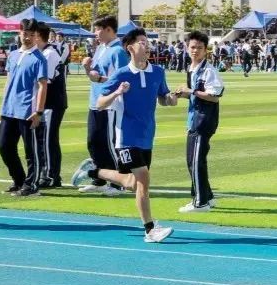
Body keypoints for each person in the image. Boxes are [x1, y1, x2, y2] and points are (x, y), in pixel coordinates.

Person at [72, 28, 178, 243]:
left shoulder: (158, 72)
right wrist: (117, 93)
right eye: (141, 42)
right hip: (126, 136)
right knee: (143, 182)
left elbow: (163, 98)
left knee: (131, 183)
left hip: (147, 135)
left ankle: (94, 171)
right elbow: (100, 103)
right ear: (130, 47)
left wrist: (171, 99)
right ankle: (150, 229)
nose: (146, 45)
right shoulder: (121, 74)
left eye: (147, 41)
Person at [76, 15, 129, 195]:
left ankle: (118, 182)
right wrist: (87, 68)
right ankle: (100, 179)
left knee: (109, 144)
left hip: (110, 104)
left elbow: (123, 79)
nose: (95, 33)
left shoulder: (118, 51)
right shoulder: (100, 48)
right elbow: (95, 76)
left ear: (108, 29)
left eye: (98, 29)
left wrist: (99, 78)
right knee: (94, 142)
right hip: (95, 102)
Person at [0, 19, 49, 196]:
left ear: (37, 37)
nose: (27, 38)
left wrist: (39, 111)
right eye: (25, 34)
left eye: (31, 35)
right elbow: (9, 81)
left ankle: (32, 185)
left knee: (31, 151)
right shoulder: (12, 55)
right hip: (9, 110)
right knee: (4, 147)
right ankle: (19, 180)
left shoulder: (39, 59)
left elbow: (43, 85)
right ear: (20, 34)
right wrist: (2, 107)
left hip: (28, 110)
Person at [176, 31, 224, 213]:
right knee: (197, 160)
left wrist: (192, 92)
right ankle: (208, 197)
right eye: (192, 47)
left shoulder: (208, 70)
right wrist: (184, 94)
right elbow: (195, 94)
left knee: (194, 162)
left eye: (199, 48)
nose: (195, 50)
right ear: (187, 48)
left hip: (203, 120)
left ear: (206, 50)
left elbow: (215, 96)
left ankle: (200, 202)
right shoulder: (192, 68)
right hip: (195, 118)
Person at [35, 23, 67, 188]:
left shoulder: (49, 54)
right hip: (47, 103)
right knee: (45, 139)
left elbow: (43, 81)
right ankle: (49, 173)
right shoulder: (43, 53)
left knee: (48, 139)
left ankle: (50, 175)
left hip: (53, 103)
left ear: (38, 37)